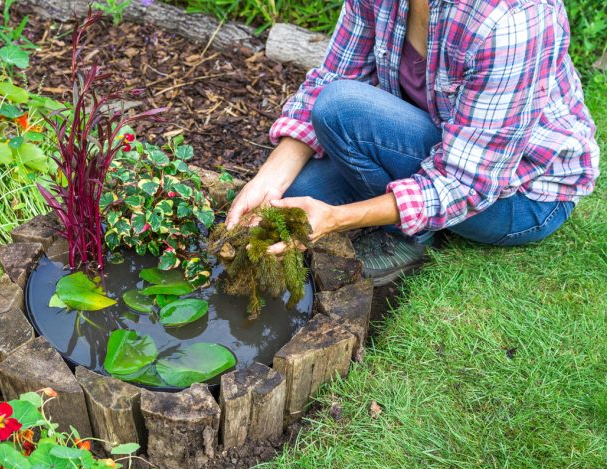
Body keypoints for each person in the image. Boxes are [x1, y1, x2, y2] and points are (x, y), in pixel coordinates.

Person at [225, 0, 600, 286]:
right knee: (290, 196)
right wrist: (267, 180)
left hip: (523, 194)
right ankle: (399, 209)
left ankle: (406, 238)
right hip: (439, 142)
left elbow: (468, 183)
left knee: (341, 108)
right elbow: (336, 72)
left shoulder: (513, 19)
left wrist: (336, 219)